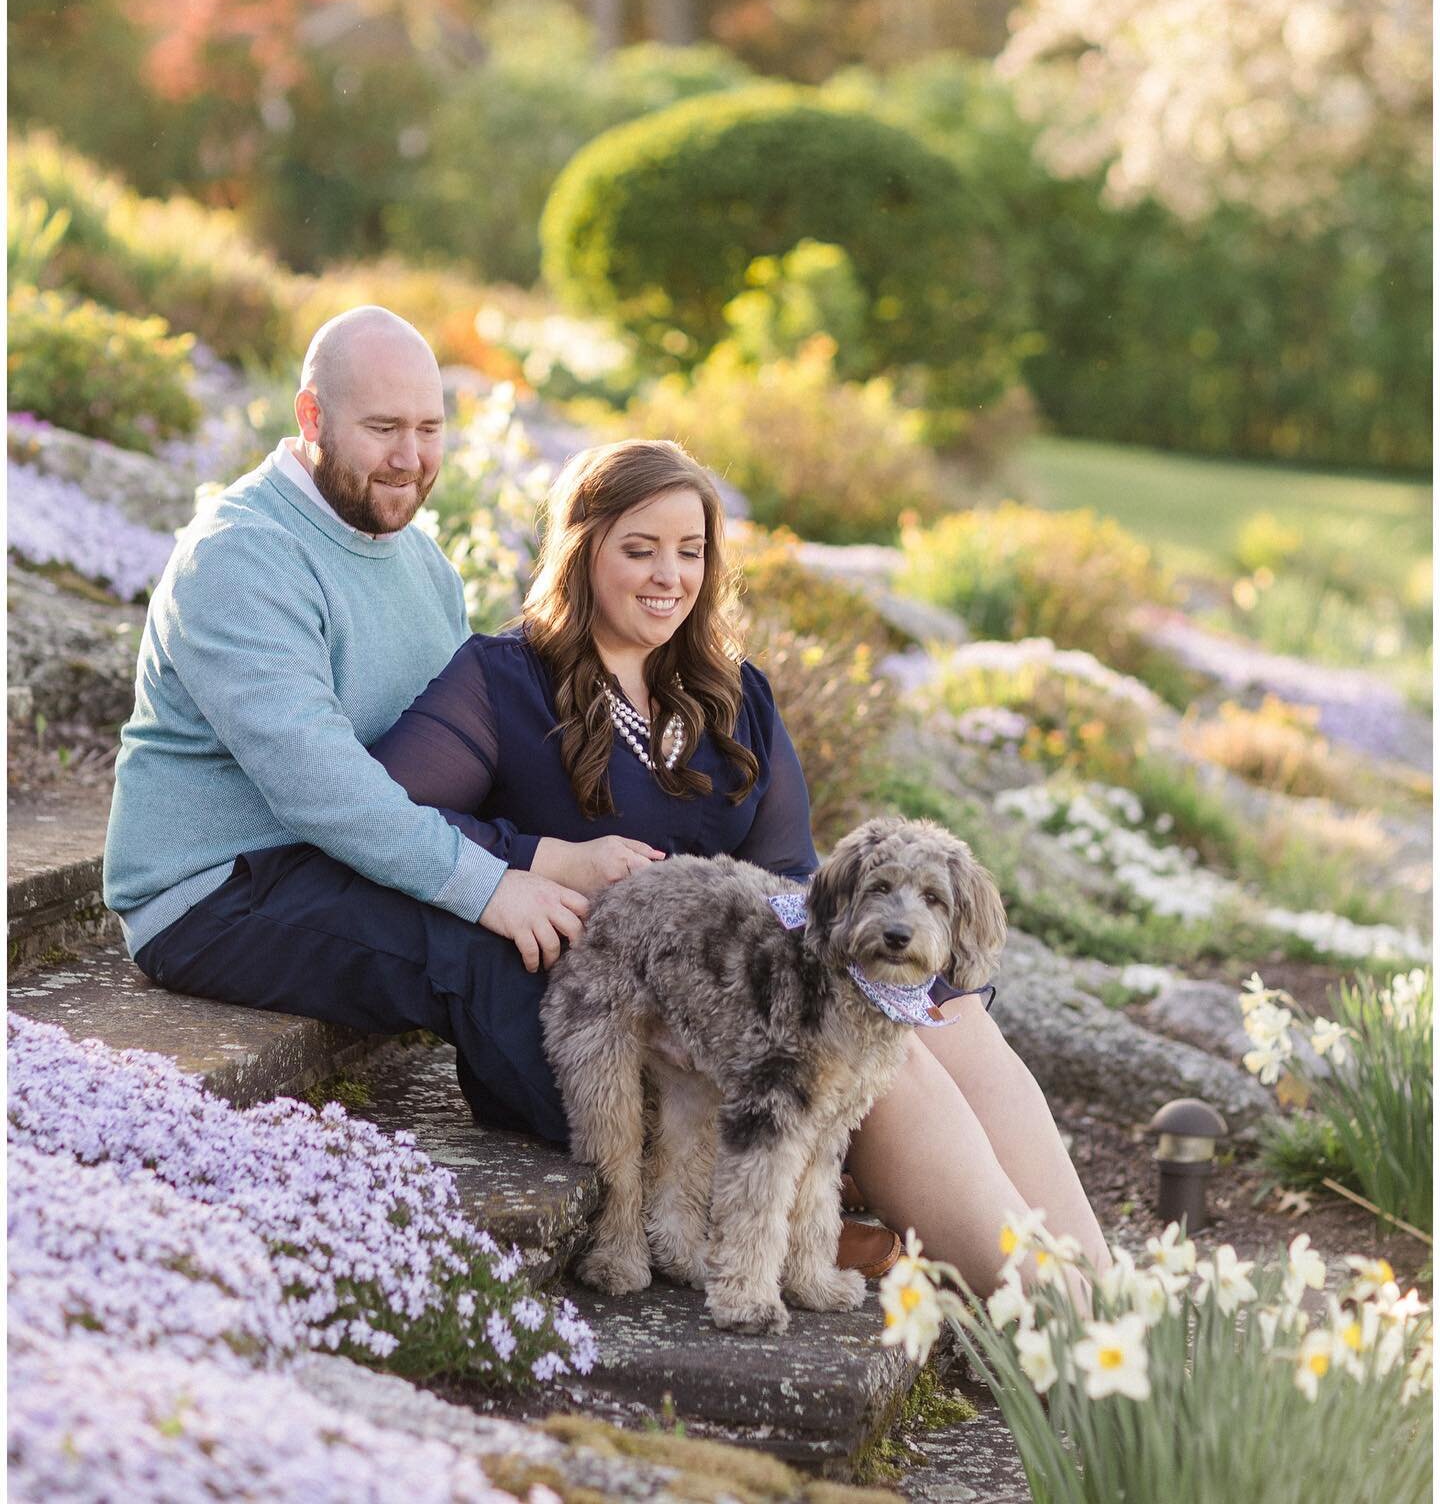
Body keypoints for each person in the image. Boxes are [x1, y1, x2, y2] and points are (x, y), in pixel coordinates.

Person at [365, 436, 1112, 1297]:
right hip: (611, 1015)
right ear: (581, 553)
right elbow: (386, 811)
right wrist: (541, 861)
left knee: (950, 1023)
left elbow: (792, 880)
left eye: (691, 553)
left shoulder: (732, 694)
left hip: (750, 1000)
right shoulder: (503, 680)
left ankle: (1109, 1293)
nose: (668, 577)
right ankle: (1060, 1321)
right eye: (638, 550)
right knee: (887, 1061)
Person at [103, 307, 593, 1134]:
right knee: (486, 954)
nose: (411, 459)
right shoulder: (239, 555)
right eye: (383, 428)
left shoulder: (421, 562)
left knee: (601, 922)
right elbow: (317, 786)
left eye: (430, 428)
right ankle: (635, 1184)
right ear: (311, 418)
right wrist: (490, 886)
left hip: (336, 856)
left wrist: (557, 854)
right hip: (216, 890)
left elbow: (461, 756)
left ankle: (739, 1157)